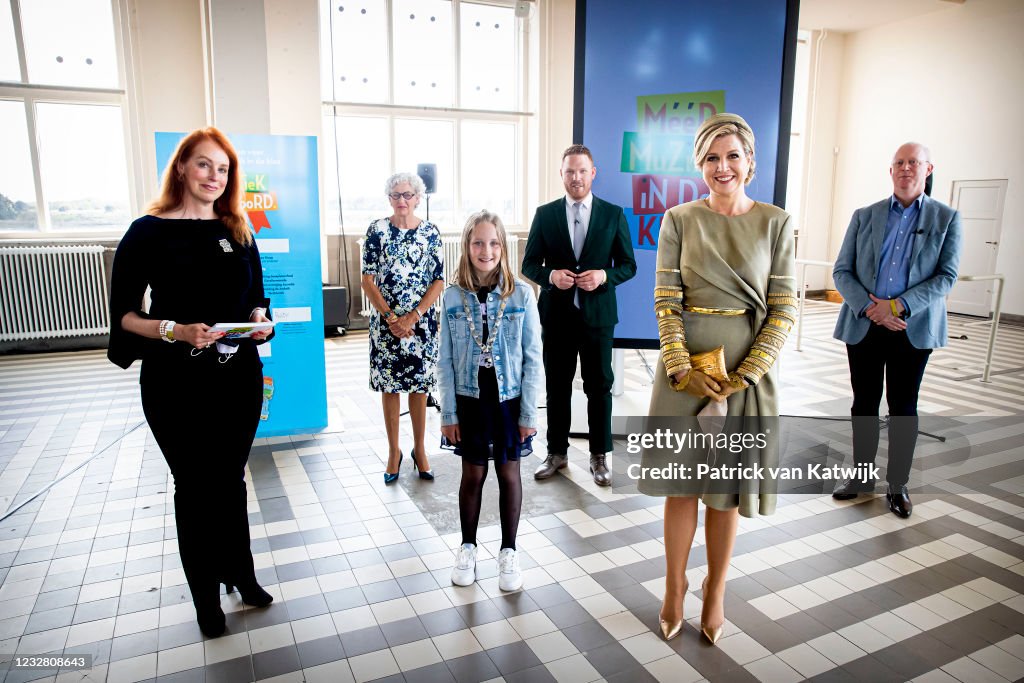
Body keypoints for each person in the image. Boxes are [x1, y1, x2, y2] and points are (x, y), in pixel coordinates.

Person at [108, 127, 275, 638]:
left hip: (236, 378)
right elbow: (124, 318)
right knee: (195, 487)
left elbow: (258, 297)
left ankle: (241, 574)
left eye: (223, 169)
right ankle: (206, 597)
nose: (213, 177)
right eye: (204, 165)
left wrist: (258, 319)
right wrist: (174, 330)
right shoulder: (147, 231)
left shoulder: (238, 228)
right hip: (175, 382)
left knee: (230, 479)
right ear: (181, 166)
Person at [640, 113, 796, 643]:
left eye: (732, 156)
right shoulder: (679, 218)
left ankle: (718, 588)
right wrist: (681, 367)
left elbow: (783, 309)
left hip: (745, 380)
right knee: (680, 487)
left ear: (750, 162)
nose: (722, 167)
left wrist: (747, 373)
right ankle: (673, 586)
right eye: (711, 157)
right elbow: (666, 298)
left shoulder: (776, 222)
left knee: (724, 491)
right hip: (683, 377)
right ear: (699, 165)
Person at [831, 142, 962, 518]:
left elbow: (946, 276)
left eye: (914, 163)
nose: (906, 168)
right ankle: (861, 477)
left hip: (912, 326)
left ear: (928, 169)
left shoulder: (946, 218)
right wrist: (873, 308)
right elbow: (842, 270)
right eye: (899, 163)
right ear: (891, 171)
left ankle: (898, 484)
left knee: (904, 406)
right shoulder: (864, 215)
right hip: (865, 323)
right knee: (864, 404)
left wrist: (897, 306)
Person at [438, 211, 542, 592]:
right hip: (469, 397)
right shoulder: (452, 297)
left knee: (508, 472)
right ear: (467, 247)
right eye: (479, 243)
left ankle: (509, 551)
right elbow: (445, 361)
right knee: (473, 474)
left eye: (494, 243)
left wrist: (529, 412)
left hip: (509, 397)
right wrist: (448, 413)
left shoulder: (522, 294)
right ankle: (467, 546)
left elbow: (533, 357)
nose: (487, 250)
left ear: (504, 246)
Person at [522, 144, 637, 486]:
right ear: (562, 174)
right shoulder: (545, 214)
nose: (576, 177)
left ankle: (600, 456)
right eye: (570, 171)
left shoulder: (613, 214)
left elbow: (629, 265)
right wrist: (549, 277)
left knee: (599, 386)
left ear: (593, 173)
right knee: (557, 387)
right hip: (557, 317)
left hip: (598, 317)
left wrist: (604, 276)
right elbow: (530, 264)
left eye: (582, 171)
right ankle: (556, 453)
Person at [361, 173, 445, 483]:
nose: (402, 201)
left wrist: (414, 316)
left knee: (420, 387)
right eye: (396, 195)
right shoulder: (377, 231)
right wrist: (391, 318)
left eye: (407, 195)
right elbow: (367, 279)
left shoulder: (430, 232)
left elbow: (438, 280)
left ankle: (420, 450)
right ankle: (393, 451)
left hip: (420, 325)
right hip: (386, 325)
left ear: (418, 198)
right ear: (389, 199)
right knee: (390, 386)